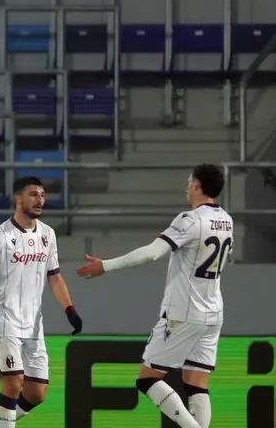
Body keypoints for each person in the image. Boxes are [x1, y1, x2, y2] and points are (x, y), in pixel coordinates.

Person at [76, 164, 231, 428]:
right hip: (213, 312)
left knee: (147, 379)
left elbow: (151, 253)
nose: (186, 187)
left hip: (184, 312)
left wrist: (106, 265)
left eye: (189, 182)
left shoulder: (190, 219)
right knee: (196, 384)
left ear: (197, 185)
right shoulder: (227, 220)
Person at [0, 176, 84, 428]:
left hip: (33, 325)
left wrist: (69, 308)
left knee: (36, 394)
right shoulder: (0, 235)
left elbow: (54, 276)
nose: (40, 200)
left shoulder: (48, 235)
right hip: (4, 322)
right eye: (33, 194)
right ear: (18, 199)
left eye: (42, 195)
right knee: (12, 383)